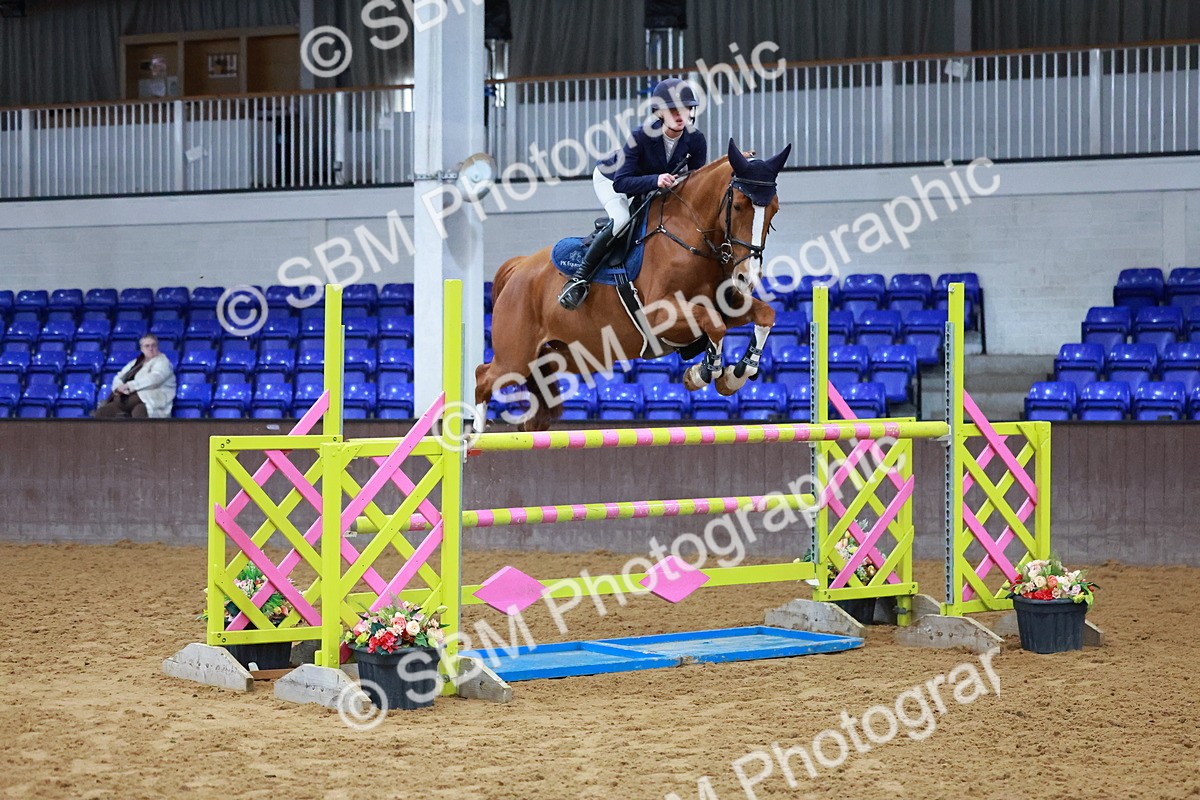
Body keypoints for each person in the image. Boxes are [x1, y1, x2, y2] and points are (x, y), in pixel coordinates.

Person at [558, 77, 708, 310]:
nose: (681, 114)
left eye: (687, 108)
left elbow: (696, 179)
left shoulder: (696, 140)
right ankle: (579, 279)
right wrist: (656, 180)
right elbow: (622, 183)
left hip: (653, 186)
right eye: (673, 110)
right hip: (612, 179)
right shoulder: (641, 137)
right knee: (621, 220)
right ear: (659, 112)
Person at [93, 333, 177, 418]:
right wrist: (119, 387)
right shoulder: (136, 363)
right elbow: (119, 376)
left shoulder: (163, 362)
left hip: (153, 400)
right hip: (132, 396)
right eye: (147, 346)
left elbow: (155, 378)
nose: (150, 348)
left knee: (137, 410)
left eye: (153, 345)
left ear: (158, 347)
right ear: (142, 349)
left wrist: (129, 386)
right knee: (102, 413)